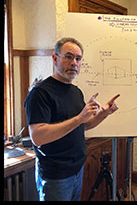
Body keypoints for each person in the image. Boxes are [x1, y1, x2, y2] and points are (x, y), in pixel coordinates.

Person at [24, 37, 120, 201]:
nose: (74, 63)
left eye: (78, 58)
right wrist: (79, 118)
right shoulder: (40, 93)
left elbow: (82, 125)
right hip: (55, 175)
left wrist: (105, 112)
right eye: (68, 57)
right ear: (55, 58)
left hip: (77, 169)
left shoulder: (76, 92)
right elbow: (38, 137)